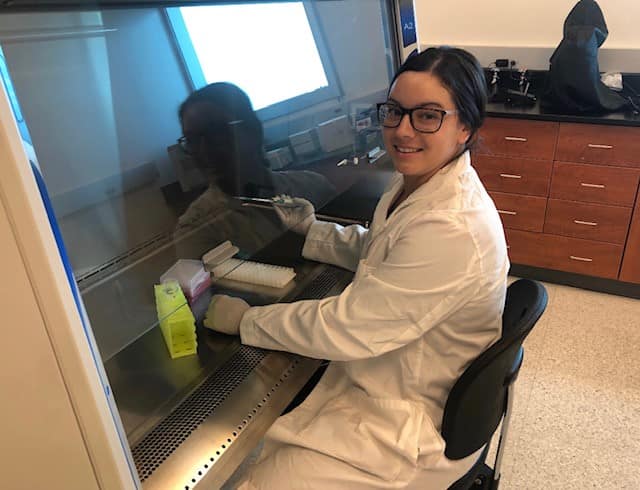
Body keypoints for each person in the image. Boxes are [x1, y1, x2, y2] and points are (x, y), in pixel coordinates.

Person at [207, 47, 509, 488]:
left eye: (427, 116)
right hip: (392, 376)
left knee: (262, 483)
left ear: (465, 126)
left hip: (412, 422)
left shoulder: (452, 225)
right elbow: (382, 247)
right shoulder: (418, 183)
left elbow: (350, 326)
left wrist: (248, 320)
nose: (403, 130)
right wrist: (313, 230)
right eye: (395, 112)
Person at [173, 82, 336, 258]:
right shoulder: (196, 228)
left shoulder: (312, 187)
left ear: (252, 130)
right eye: (192, 140)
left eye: (216, 132)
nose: (204, 150)